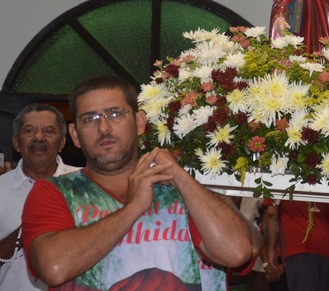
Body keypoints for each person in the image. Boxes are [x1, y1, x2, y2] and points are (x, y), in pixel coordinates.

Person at [21, 75, 261, 289]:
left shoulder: (178, 190)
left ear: (138, 122)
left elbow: (236, 252)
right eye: (90, 119)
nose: (104, 128)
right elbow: (54, 268)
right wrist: (134, 208)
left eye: (115, 114)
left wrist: (179, 176)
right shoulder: (56, 192)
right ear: (75, 135)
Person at [0, 104, 78, 290]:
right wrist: (30, 229)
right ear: (16, 143)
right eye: (29, 131)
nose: (39, 137)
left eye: (49, 131)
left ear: (61, 143)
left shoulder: (85, 183)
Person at [262, 200, 329, 291]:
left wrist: (271, 251)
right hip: (325, 250)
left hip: (299, 247)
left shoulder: (279, 185)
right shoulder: (327, 187)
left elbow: (271, 214)